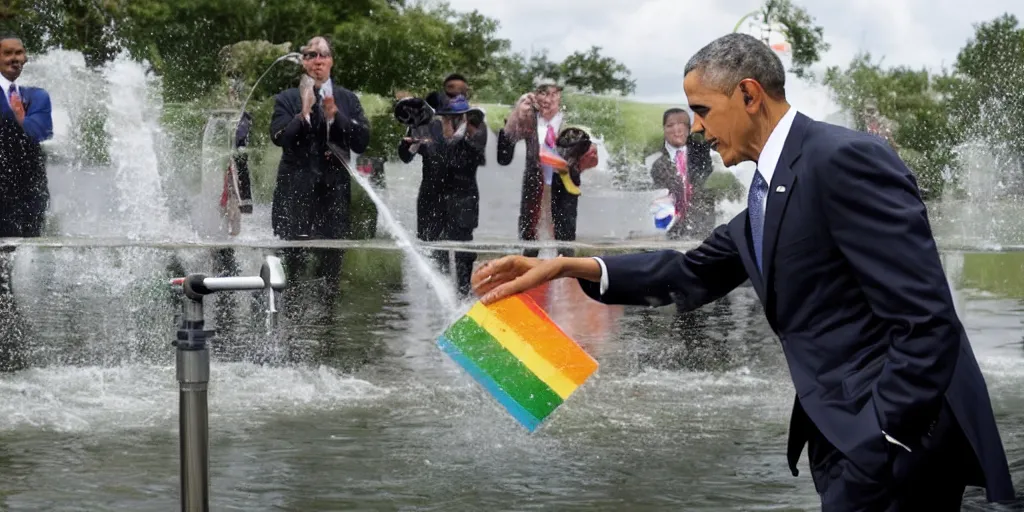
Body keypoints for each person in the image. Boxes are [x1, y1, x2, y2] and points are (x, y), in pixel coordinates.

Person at [470, 33, 1015, 511]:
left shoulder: (844, 157)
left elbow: (927, 319)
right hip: (850, 436)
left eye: (703, 109)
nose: (698, 128)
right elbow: (686, 274)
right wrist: (562, 266)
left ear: (749, 95)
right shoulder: (764, 194)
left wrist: (884, 438)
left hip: (894, 442)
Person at [269, 36, 370, 241]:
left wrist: (337, 116)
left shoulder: (348, 99)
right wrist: (303, 113)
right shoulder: (286, 98)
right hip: (294, 197)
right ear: (303, 61)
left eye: (323, 55)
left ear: (331, 60)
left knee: (331, 263)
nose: (318, 60)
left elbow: (361, 142)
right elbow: (280, 138)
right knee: (292, 263)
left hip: (334, 199)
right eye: (311, 55)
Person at [397, 92, 487, 297]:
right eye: (444, 116)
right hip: (431, 202)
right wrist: (410, 144)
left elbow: (465, 157)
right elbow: (404, 157)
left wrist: (450, 136)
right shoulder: (427, 126)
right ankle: (438, 304)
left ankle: (464, 299)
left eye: (452, 116)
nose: (447, 120)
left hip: (463, 203)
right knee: (436, 258)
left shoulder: (476, 130)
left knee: (463, 257)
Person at [498, 78, 598, 257]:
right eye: (542, 93)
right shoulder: (527, 120)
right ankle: (531, 279)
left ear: (559, 96)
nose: (547, 99)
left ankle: (565, 281)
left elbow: (588, 159)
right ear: (535, 96)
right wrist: (515, 115)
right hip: (535, 186)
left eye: (553, 93)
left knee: (564, 241)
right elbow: (503, 157)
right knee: (530, 240)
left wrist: (581, 158)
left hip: (563, 189)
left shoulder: (572, 122)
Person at [0, 33, 54, 238]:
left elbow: (41, 131)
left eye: (19, 53)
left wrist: (19, 119)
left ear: (25, 58)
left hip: (30, 187)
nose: (14, 58)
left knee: (25, 244)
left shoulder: (37, 95)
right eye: (7, 53)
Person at [649, 108, 715, 239]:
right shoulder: (655, 162)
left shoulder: (703, 155)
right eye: (670, 125)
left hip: (703, 229)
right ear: (664, 129)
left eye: (682, 124)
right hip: (669, 231)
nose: (677, 130)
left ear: (689, 129)